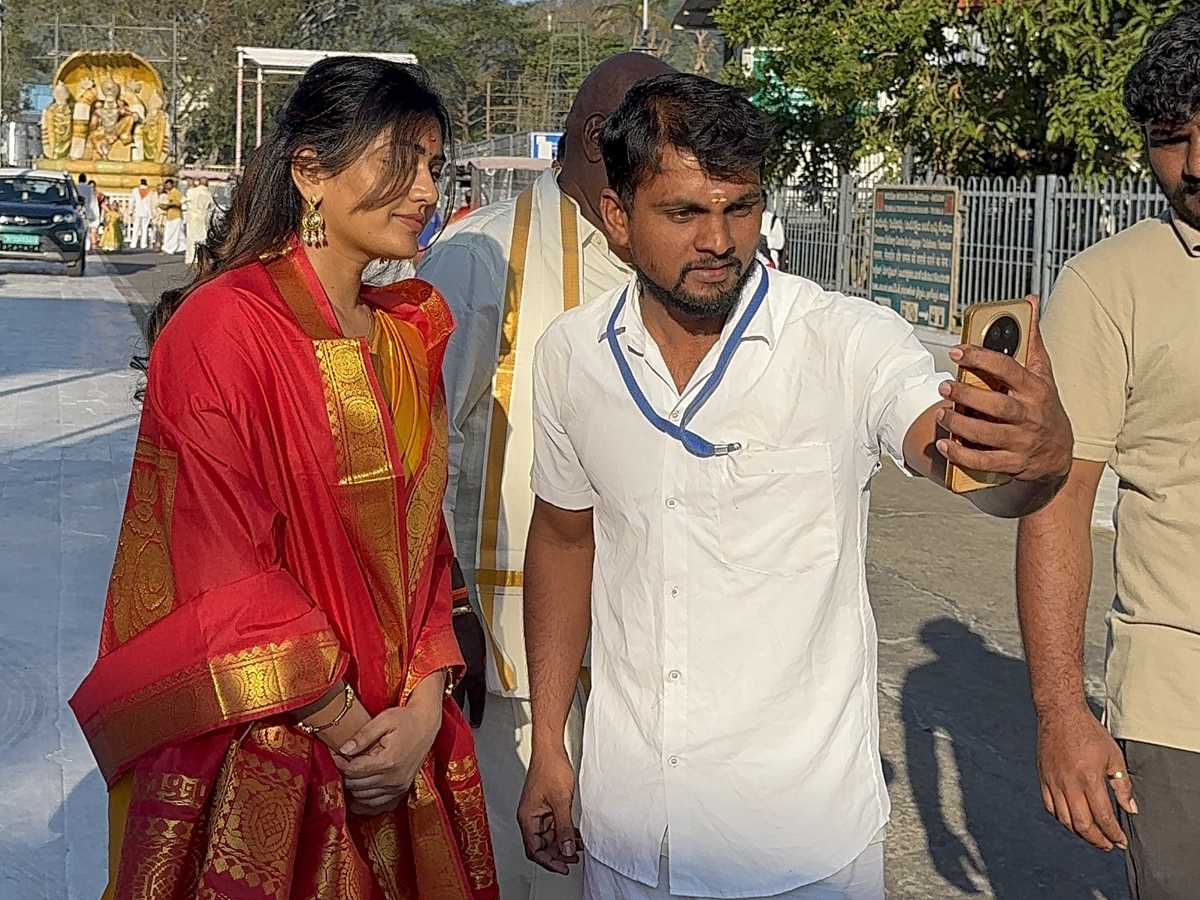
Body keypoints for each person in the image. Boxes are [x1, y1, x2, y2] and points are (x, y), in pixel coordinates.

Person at [516, 73, 1074, 900]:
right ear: (618, 221)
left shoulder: (843, 342)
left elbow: (955, 458)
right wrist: (554, 748)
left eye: (739, 207)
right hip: (630, 835)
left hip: (800, 848)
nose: (720, 240)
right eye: (685, 212)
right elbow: (564, 539)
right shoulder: (572, 356)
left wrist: (1035, 459)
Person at [69, 56, 498, 900]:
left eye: (435, 167)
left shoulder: (407, 338)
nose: (424, 191)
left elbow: (423, 545)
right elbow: (222, 560)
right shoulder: (223, 327)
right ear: (311, 173)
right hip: (270, 737)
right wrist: (349, 728)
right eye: (398, 161)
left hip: (401, 737)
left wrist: (419, 707)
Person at [417, 51, 673, 900]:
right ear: (604, 137)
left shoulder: (664, 258)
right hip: (508, 651)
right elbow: (424, 459)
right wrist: (450, 623)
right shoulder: (484, 255)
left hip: (645, 653)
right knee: (523, 872)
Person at [1016, 9, 1200, 899]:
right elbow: (1056, 497)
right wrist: (1061, 711)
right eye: (1172, 140)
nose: (1196, 164)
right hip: (1179, 714)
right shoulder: (1108, 285)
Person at [183, 176, 214, 266]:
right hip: (203, 218)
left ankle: (191, 258)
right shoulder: (208, 194)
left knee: (191, 239)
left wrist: (190, 186)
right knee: (203, 237)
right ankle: (202, 257)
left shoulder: (192, 192)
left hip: (193, 218)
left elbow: (184, 200)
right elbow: (211, 207)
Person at [159, 178, 186, 254]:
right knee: (178, 233)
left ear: (172, 185)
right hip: (170, 215)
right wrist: (164, 206)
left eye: (168, 184)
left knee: (171, 233)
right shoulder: (169, 193)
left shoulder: (176, 192)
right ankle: (182, 247)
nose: (167, 186)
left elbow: (179, 202)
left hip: (175, 215)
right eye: (166, 185)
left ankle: (168, 249)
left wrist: (169, 204)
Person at [128, 178, 154, 250]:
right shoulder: (150, 192)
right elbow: (151, 203)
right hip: (147, 212)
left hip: (137, 211)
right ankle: (143, 244)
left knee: (136, 228)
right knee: (144, 228)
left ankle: (133, 243)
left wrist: (130, 210)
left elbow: (131, 201)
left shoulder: (135, 190)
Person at [76, 173, 99, 249]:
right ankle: (87, 245)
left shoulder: (75, 187)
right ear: (85, 180)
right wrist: (95, 213)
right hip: (88, 210)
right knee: (87, 229)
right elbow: (93, 201)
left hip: (78, 210)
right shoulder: (89, 188)